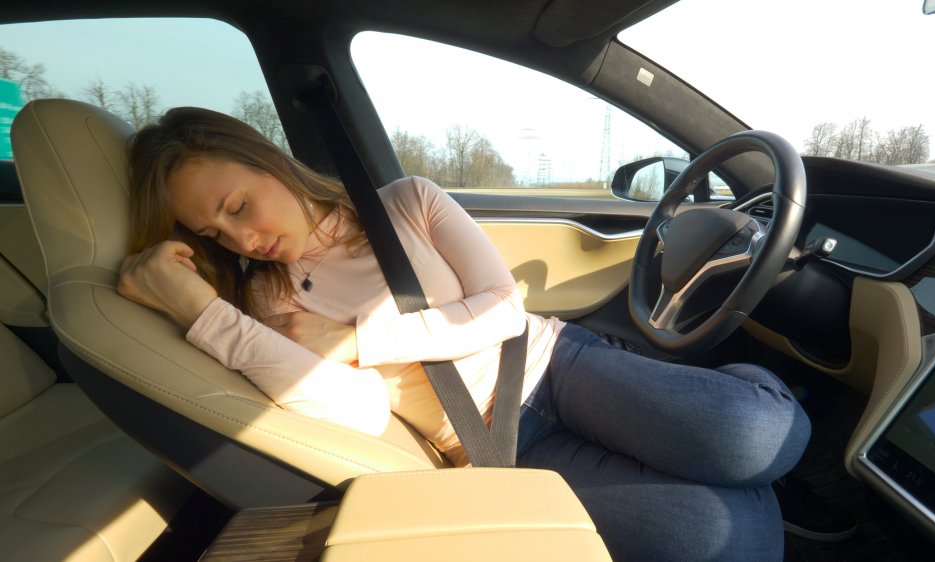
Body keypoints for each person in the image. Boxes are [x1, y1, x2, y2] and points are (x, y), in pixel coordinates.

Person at [117, 107, 811, 561]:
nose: (243, 237)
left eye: (238, 206)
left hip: (552, 362)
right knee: (738, 541)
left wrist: (361, 339)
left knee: (759, 434)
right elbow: (354, 410)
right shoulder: (262, 306)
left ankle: (735, 400)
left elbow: (503, 308)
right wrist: (201, 312)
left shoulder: (408, 202)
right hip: (486, 445)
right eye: (213, 232)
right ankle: (713, 459)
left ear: (265, 161)